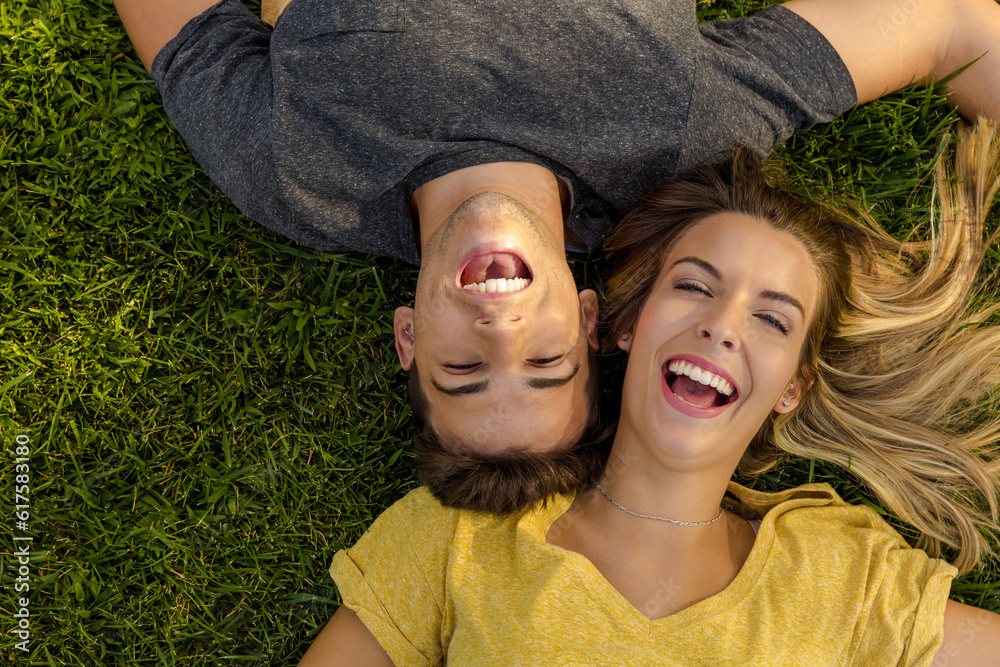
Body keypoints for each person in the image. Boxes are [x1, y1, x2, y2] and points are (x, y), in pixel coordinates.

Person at [111, 0, 1000, 510]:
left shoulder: (300, 179)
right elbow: (956, 25)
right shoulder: (675, 138)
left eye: (465, 367)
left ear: (410, 335)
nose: (499, 325)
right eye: (543, 361)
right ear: (585, 317)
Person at [298, 121, 1000, 665]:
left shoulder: (846, 579)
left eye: (770, 319)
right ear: (627, 324)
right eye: (694, 286)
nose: (721, 326)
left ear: (792, 387)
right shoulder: (460, 541)